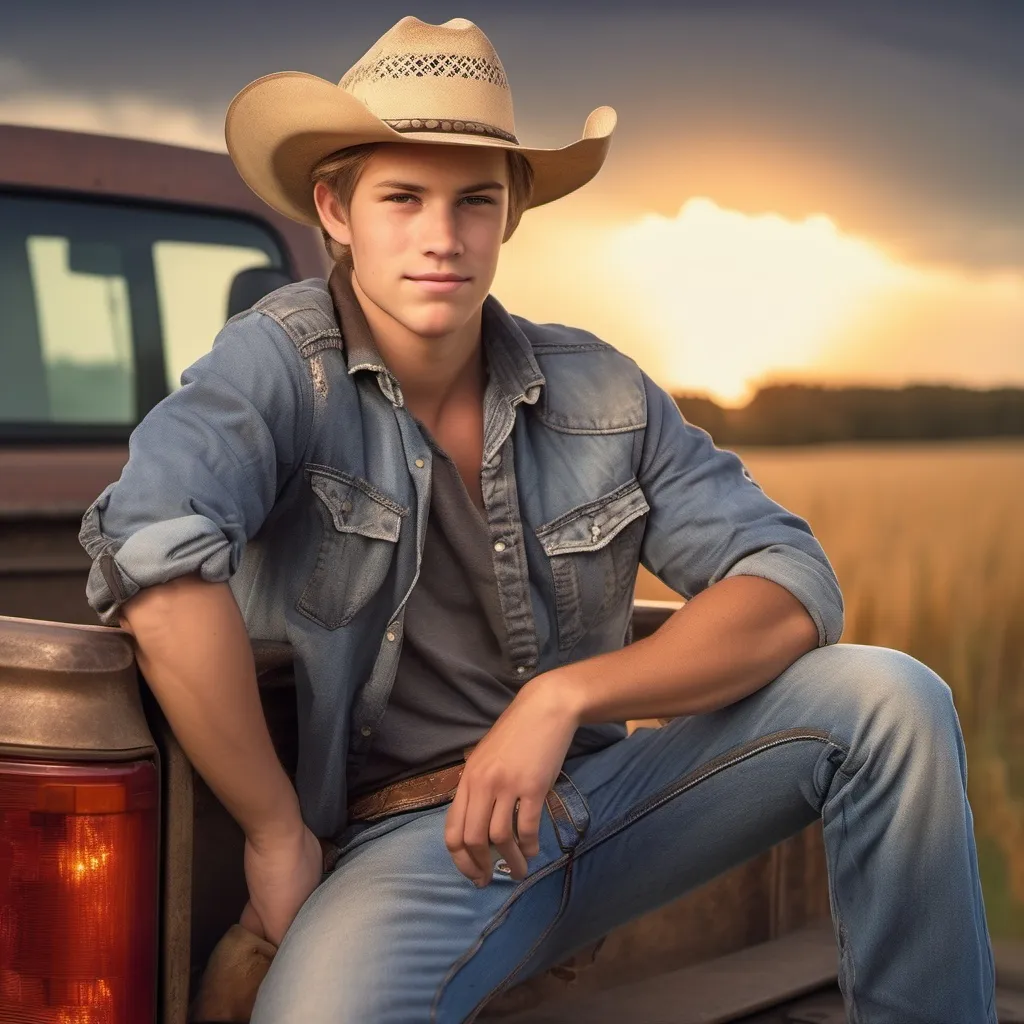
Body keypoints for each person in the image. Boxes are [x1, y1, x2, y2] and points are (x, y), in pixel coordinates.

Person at [78, 15, 996, 1024]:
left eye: (475, 199)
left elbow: (788, 584)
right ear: (334, 209)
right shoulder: (277, 366)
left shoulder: (598, 387)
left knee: (888, 698)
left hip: (611, 805)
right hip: (412, 846)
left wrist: (560, 698)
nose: (442, 235)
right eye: (403, 198)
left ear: (510, 213)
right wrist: (274, 830)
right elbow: (157, 564)